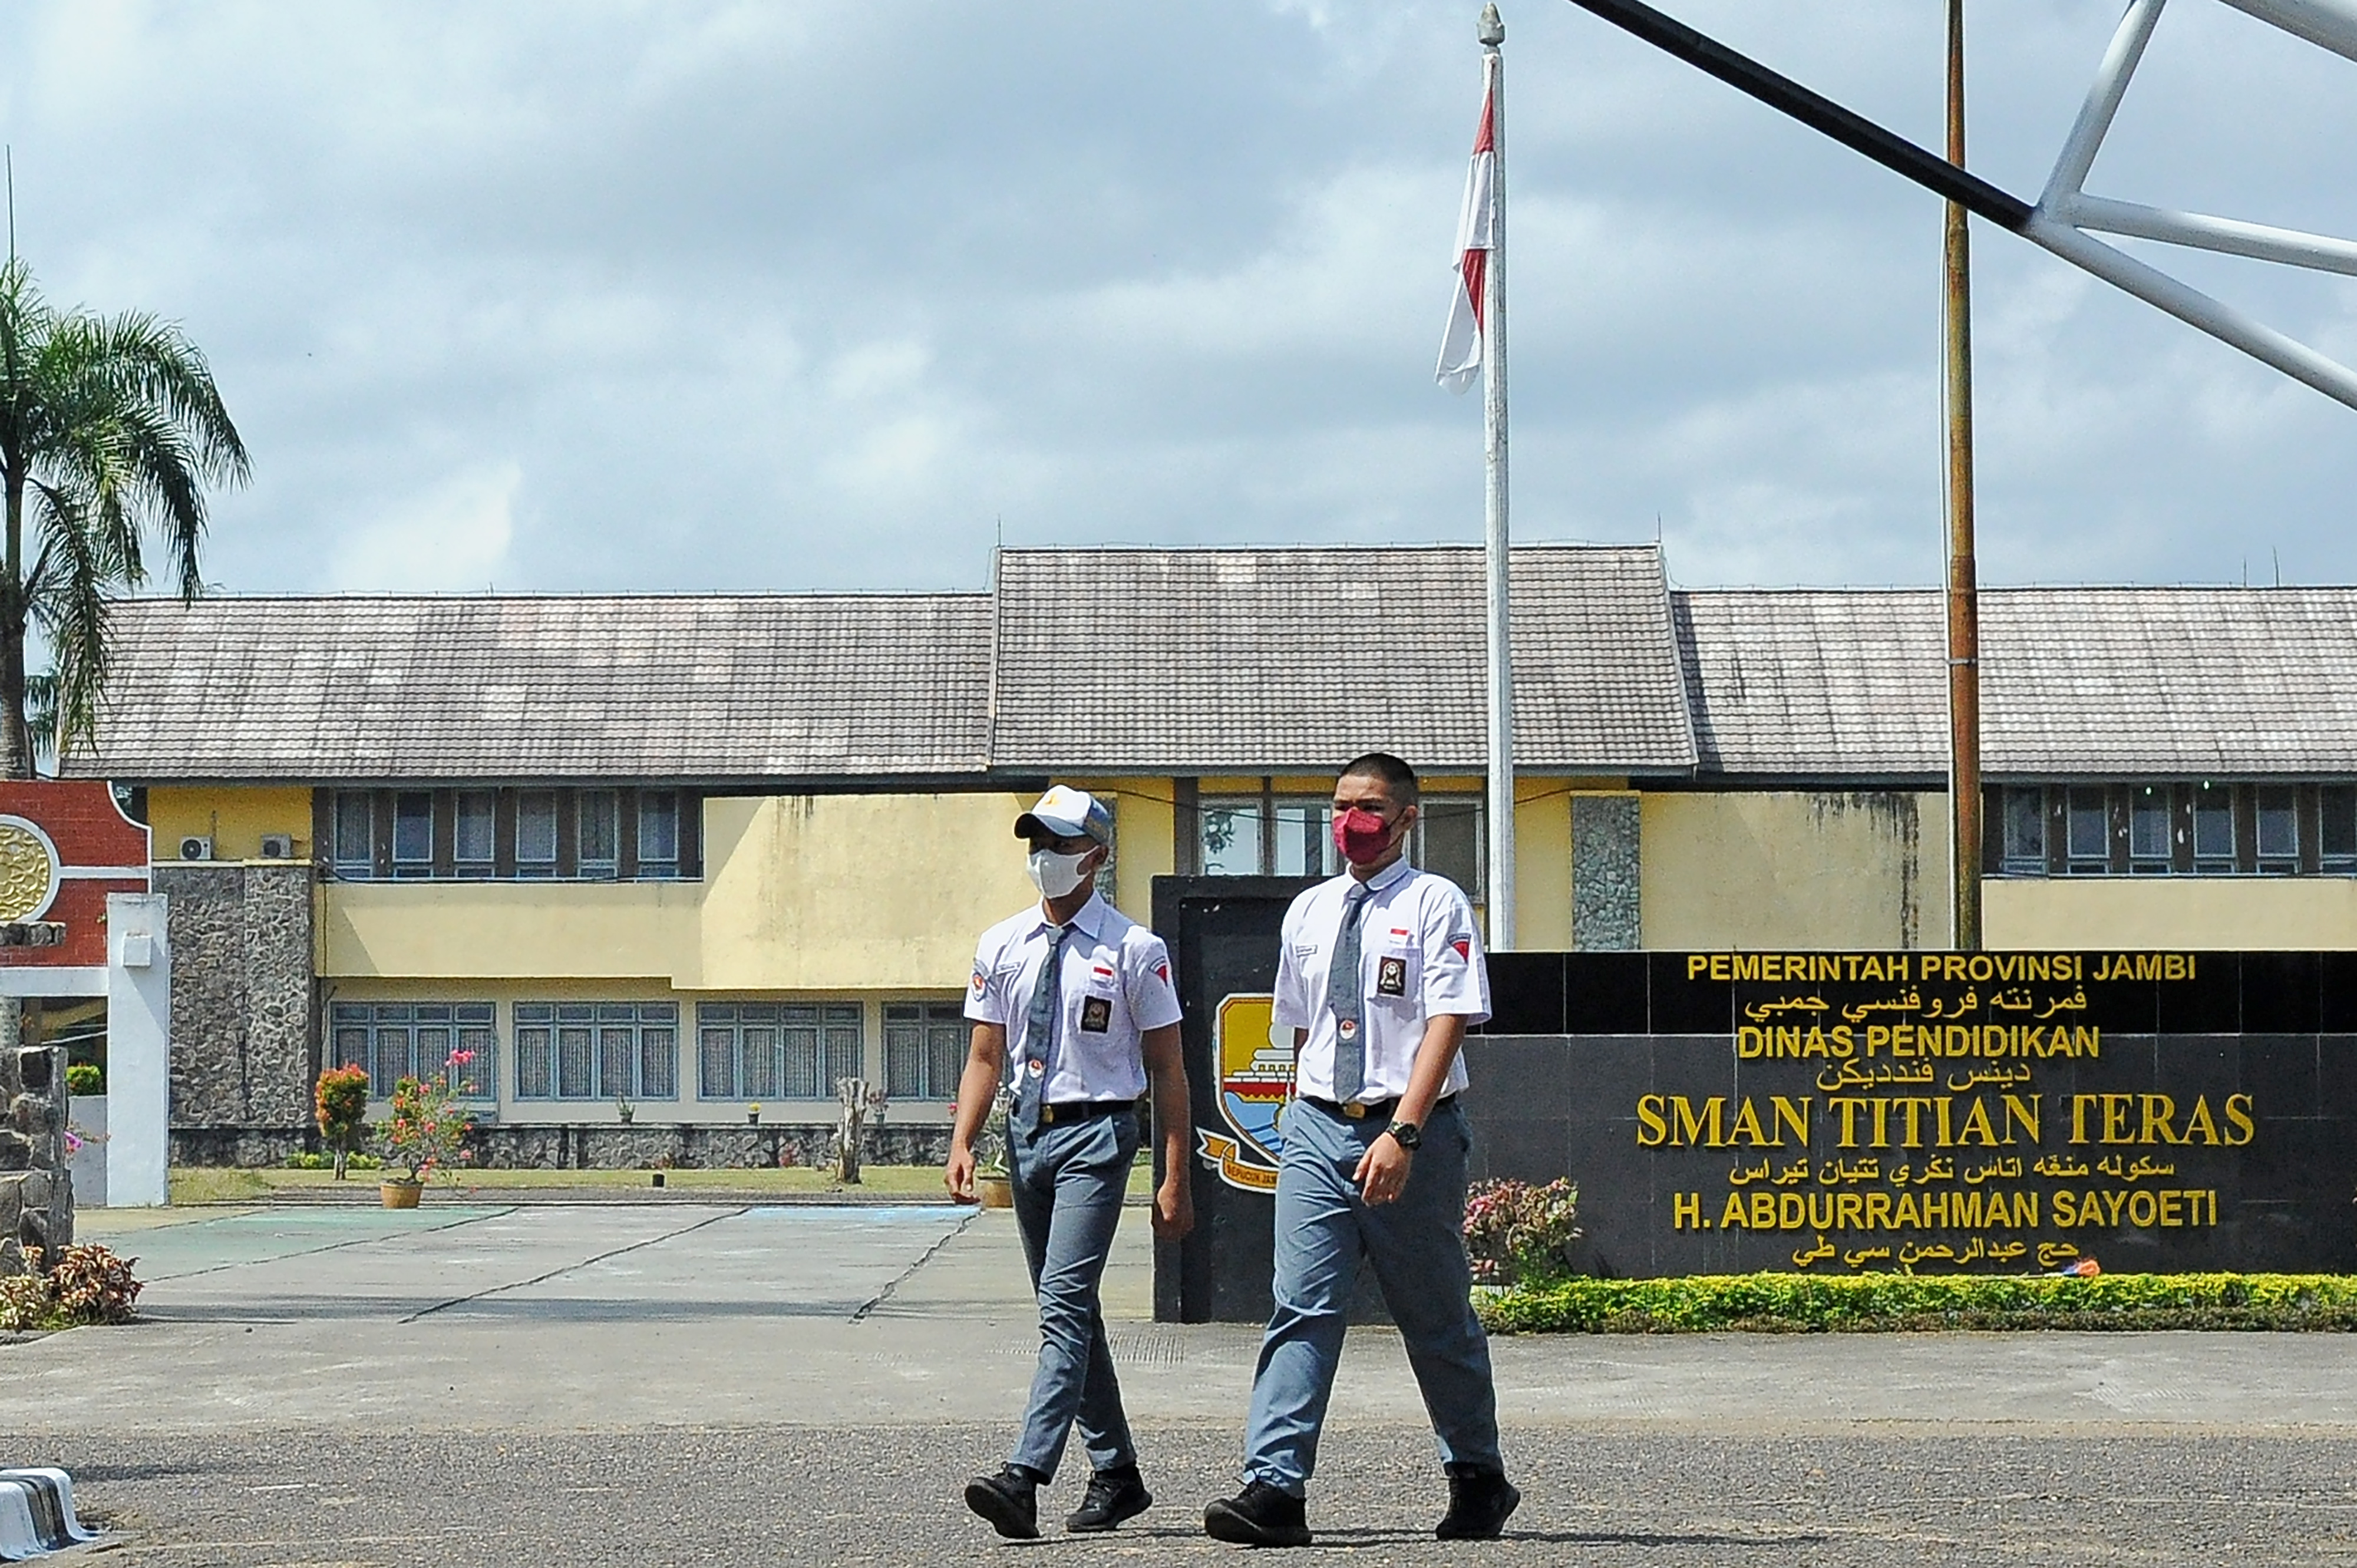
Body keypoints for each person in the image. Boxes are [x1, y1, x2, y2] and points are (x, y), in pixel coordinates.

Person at [1203, 752, 1517, 1547]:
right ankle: (1275, 1487)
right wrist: (1298, 1120)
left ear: (1407, 817)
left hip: (1410, 1127)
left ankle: (1477, 1474)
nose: (1353, 820)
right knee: (1301, 1307)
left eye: (1371, 806)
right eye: (1342, 804)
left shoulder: (1436, 902)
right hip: (1315, 1124)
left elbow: (1447, 1021)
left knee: (1433, 1311)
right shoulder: (1309, 910)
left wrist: (1403, 1132)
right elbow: (1303, 1027)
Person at [946, 785, 1195, 1539]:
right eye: (1035, 844)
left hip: (1098, 1134)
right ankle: (1117, 1472)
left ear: (1096, 854)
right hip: (1027, 1135)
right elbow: (985, 1055)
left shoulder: (1132, 950)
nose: (1043, 859)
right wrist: (963, 1139)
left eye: (1058, 845)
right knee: (1072, 1311)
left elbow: (1169, 1071)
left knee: (1061, 1305)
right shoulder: (1002, 943)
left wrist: (1174, 1175)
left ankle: (1024, 1475)